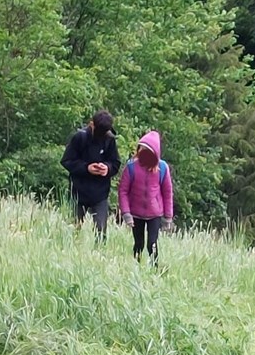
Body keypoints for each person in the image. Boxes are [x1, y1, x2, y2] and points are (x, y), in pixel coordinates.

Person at [60, 110, 121, 240]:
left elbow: (115, 163)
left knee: (100, 232)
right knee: (71, 230)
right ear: (91, 124)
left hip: (100, 194)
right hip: (78, 193)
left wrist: (107, 169)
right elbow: (66, 161)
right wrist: (86, 168)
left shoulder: (110, 140)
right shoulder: (79, 138)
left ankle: (99, 255)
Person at [118, 131, 174, 266]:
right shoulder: (131, 167)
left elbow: (167, 193)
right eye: (141, 149)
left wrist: (168, 217)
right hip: (136, 214)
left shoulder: (162, 168)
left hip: (155, 214)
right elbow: (123, 191)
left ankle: (154, 269)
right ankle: (135, 269)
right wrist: (126, 213)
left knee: (152, 244)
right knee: (138, 244)